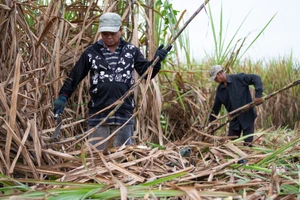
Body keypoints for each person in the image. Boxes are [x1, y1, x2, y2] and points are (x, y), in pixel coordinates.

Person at [53, 12, 171, 150]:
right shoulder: (91, 52)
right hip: (98, 114)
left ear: (121, 30)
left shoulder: (131, 51)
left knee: (123, 158)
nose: (108, 37)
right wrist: (63, 96)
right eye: (105, 33)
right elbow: (75, 75)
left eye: (113, 33)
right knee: (97, 159)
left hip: (124, 114)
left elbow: (147, 74)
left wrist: (156, 62)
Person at [208, 65, 263, 146]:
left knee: (248, 144)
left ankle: (247, 156)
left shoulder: (238, 78)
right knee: (231, 145)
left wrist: (258, 95)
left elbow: (256, 78)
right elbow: (216, 108)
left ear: (220, 74)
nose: (215, 80)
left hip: (247, 116)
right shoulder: (220, 91)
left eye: (215, 78)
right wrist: (211, 123)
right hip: (235, 120)